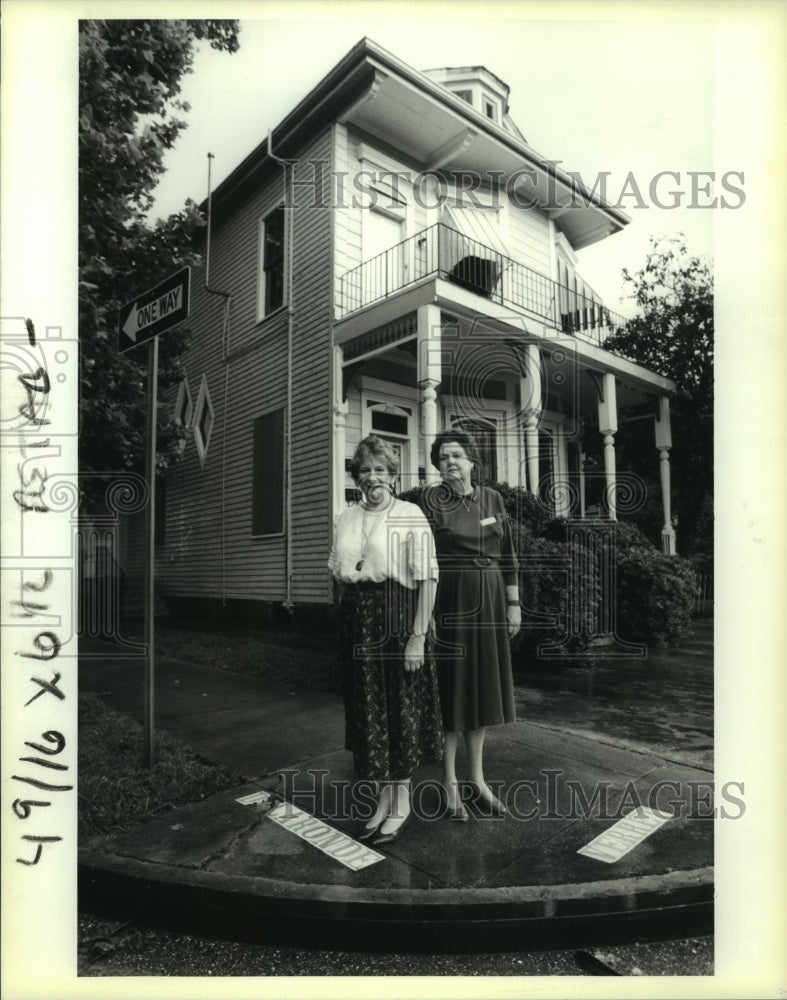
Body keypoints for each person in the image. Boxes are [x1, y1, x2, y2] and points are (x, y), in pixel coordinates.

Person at [329, 435, 443, 845]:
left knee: (399, 707)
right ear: (356, 478)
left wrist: (417, 638)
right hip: (357, 619)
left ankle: (402, 802)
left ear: (392, 474)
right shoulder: (346, 516)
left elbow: (428, 578)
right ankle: (381, 798)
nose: (372, 476)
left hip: (397, 617)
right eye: (364, 470)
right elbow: (338, 573)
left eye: (380, 469)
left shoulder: (410, 514)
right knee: (368, 710)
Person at [421, 428, 521, 820]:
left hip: (492, 601)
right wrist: (425, 609)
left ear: (472, 461)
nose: (450, 462)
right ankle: (448, 782)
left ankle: (477, 780)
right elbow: (421, 561)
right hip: (451, 601)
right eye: (443, 456)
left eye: (457, 455)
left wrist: (513, 603)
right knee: (453, 688)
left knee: (480, 689)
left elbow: (508, 555)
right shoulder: (431, 501)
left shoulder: (492, 498)